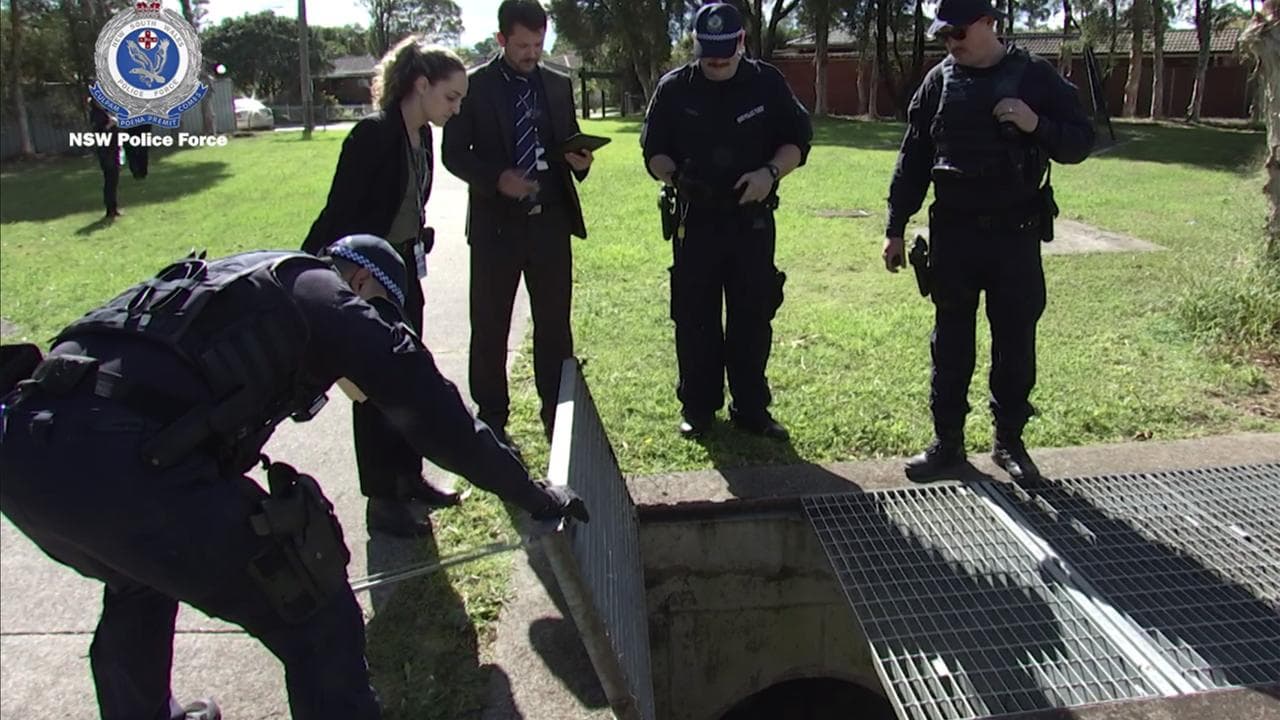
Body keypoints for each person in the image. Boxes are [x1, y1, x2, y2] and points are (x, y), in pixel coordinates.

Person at [0, 236, 588, 720]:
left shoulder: (248, 280)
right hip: (123, 461)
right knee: (314, 608)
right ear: (363, 285)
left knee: (139, 576)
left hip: (27, 449)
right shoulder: (334, 301)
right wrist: (534, 495)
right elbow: (441, 421)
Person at [881, 0, 1094, 483]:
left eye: (958, 32)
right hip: (954, 235)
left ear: (987, 23)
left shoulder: (1034, 77)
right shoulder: (940, 81)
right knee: (950, 344)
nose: (950, 43)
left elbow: (1081, 141)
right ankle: (947, 445)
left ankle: (1009, 443)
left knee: (1015, 342)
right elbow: (913, 157)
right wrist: (895, 227)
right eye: (943, 35)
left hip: (1014, 237)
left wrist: (1035, 123)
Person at [302, 39, 470, 537]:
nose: (456, 109)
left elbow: (410, 203)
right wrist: (308, 269)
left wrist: (418, 237)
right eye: (451, 97)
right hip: (365, 277)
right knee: (374, 388)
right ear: (421, 86)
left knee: (408, 375)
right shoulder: (372, 136)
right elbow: (339, 212)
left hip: (402, 272)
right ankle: (382, 500)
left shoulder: (423, 138)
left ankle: (409, 477)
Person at [640, 2, 813, 440]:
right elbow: (653, 150)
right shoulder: (674, 88)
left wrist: (769, 174)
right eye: (707, 52)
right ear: (696, 45)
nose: (716, 61)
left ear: (741, 42)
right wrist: (676, 177)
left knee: (753, 316)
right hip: (695, 221)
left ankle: (751, 407)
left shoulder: (767, 83)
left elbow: (796, 142)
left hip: (751, 222)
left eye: (725, 52)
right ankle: (698, 408)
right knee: (694, 316)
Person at [442, 0, 593, 448]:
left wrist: (579, 160)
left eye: (538, 43)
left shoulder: (558, 84)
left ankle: (556, 413)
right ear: (501, 39)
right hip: (496, 229)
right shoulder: (473, 86)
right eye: (522, 45)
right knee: (490, 325)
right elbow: (454, 154)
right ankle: (491, 420)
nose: (531, 53)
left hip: (550, 225)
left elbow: (569, 139)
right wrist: (496, 179)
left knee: (554, 325)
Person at [88, 96, 121, 218]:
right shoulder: (95, 115)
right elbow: (99, 134)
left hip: (114, 149)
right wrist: (109, 125)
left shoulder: (105, 111)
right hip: (106, 152)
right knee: (110, 181)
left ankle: (114, 208)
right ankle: (109, 210)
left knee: (114, 180)